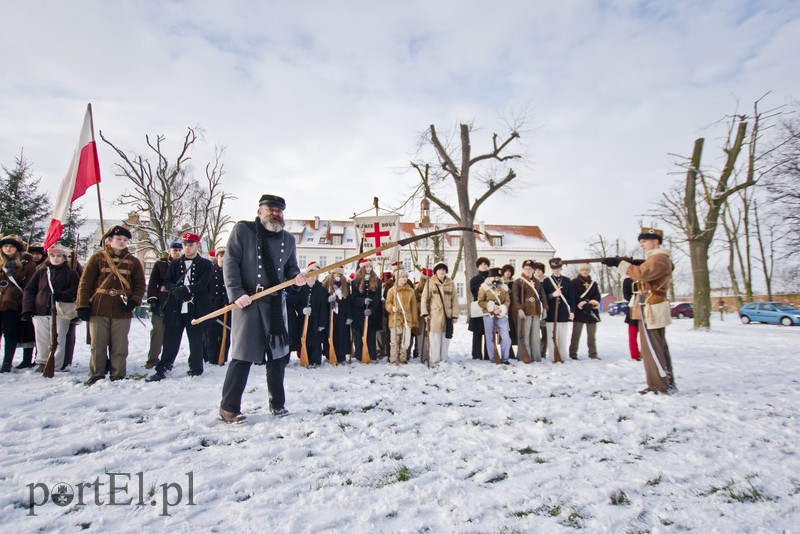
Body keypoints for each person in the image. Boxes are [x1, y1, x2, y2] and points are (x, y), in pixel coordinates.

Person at [218, 194, 306, 423]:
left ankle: (277, 404)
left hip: (275, 302)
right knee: (242, 355)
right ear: (259, 211)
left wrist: (296, 277)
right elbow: (231, 262)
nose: (275, 213)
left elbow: (291, 267)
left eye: (279, 210)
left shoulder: (288, 239)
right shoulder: (243, 231)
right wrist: (236, 294)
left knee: (278, 356)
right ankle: (229, 408)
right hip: (248, 301)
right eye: (271, 209)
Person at [603, 228, 675, 394]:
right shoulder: (656, 259)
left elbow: (642, 273)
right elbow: (646, 270)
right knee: (656, 346)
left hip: (651, 306)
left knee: (651, 348)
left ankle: (658, 386)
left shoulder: (658, 258)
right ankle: (665, 381)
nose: (642, 245)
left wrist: (620, 264)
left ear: (655, 241)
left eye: (644, 241)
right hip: (650, 305)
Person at [76, 225, 146, 385]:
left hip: (122, 307)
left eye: (125, 240)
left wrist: (134, 301)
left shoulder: (133, 262)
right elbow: (85, 283)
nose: (122, 242)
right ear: (109, 240)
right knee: (97, 344)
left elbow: (140, 284)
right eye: (119, 239)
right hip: (99, 306)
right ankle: (96, 374)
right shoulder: (97, 258)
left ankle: (118, 374)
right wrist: (82, 305)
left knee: (120, 345)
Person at [146, 232, 213, 381]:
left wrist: (188, 289)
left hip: (196, 307)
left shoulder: (206, 264)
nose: (187, 248)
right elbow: (168, 281)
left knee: (196, 340)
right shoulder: (175, 263)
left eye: (191, 245)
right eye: (185, 245)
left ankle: (196, 368)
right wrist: (176, 290)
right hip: (176, 307)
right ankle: (163, 367)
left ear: (197, 246)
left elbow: (203, 283)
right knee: (171, 339)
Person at [21, 243, 80, 372]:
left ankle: (55, 364)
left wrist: (62, 295)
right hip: (40, 310)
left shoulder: (71, 273)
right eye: (53, 256)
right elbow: (29, 290)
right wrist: (28, 309)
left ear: (64, 258)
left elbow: (75, 290)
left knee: (58, 339)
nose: (56, 258)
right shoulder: (41, 272)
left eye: (59, 256)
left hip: (61, 311)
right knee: (42, 339)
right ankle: (42, 362)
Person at [0, 235, 36, 372]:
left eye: (11, 246)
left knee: (10, 334)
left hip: (13, 303)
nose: (8, 248)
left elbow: (30, 287)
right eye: (5, 246)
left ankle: (7, 363)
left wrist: (25, 305)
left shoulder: (27, 264)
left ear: (17, 248)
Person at [144, 242, 182, 369]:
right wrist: (152, 299)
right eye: (174, 250)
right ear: (169, 251)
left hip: (177, 303)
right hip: (161, 301)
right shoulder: (160, 264)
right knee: (157, 331)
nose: (177, 252)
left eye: (179, 250)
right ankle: (153, 359)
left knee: (171, 334)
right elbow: (153, 282)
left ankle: (167, 360)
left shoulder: (184, 264)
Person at [420, 262, 458, 366]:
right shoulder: (430, 283)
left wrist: (455, 315)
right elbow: (424, 299)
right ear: (436, 271)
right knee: (435, 339)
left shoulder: (451, 283)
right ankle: (436, 361)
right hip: (434, 316)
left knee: (445, 339)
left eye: (443, 270)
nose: (442, 271)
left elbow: (454, 300)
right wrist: (425, 313)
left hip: (447, 316)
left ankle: (444, 360)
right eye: (439, 270)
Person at [510, 259, 548, 363]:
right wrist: (519, 309)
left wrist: (544, 308)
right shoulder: (518, 281)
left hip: (535, 311)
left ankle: (536, 357)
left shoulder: (537, 282)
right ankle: (523, 356)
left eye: (530, 269)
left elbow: (542, 296)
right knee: (524, 335)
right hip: (524, 312)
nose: (527, 270)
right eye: (526, 268)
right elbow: (515, 297)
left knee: (535, 336)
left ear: (533, 270)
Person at [542, 258, 575, 363]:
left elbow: (571, 297)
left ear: (561, 268)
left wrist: (572, 311)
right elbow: (543, 298)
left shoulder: (567, 280)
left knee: (562, 337)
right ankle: (553, 357)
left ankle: (562, 356)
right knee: (552, 337)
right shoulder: (547, 281)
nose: (556, 270)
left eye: (558, 268)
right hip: (551, 313)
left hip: (563, 313)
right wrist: (552, 295)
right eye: (554, 268)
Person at [295, 262, 328, 367]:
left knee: (316, 341)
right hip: (303, 320)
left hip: (316, 320)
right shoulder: (301, 289)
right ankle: (305, 359)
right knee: (305, 340)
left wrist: (322, 323)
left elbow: (324, 308)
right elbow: (297, 304)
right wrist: (302, 310)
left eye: (315, 275)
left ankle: (315, 360)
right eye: (311, 275)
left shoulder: (321, 289)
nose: (312, 277)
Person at [477, 267, 512, 364]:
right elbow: (480, 302)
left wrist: (502, 308)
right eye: (494, 276)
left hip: (501, 315)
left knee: (506, 337)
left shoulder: (504, 287)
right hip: (488, 315)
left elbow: (507, 300)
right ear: (490, 277)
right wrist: (491, 306)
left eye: (498, 277)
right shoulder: (484, 287)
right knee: (490, 337)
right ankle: (493, 358)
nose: (496, 279)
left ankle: (505, 358)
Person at [351, 259, 382, 362]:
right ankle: (359, 355)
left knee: (371, 335)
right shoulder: (355, 282)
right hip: (359, 313)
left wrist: (372, 309)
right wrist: (363, 301)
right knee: (359, 335)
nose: (369, 268)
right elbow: (354, 298)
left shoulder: (377, 281)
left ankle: (371, 355)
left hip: (372, 314)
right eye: (367, 266)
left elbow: (377, 298)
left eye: (370, 266)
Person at [204, 245, 231, 365]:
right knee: (211, 334)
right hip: (213, 306)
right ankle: (212, 358)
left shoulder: (232, 272)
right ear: (217, 257)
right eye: (221, 255)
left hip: (228, 307)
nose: (223, 258)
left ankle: (223, 357)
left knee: (226, 333)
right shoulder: (210, 272)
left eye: (226, 255)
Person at [385, 269, 418, 365]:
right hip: (395, 318)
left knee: (405, 340)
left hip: (407, 318)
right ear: (397, 278)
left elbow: (414, 307)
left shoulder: (411, 291)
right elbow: (387, 303)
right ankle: (394, 358)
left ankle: (403, 358)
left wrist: (414, 320)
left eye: (406, 277)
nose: (405, 279)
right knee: (394, 341)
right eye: (403, 277)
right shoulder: (392, 290)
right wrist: (392, 308)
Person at [568, 264, 601, 360]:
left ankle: (593, 353)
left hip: (592, 311)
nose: (585, 271)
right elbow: (573, 295)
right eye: (583, 270)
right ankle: (573, 353)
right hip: (579, 311)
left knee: (592, 335)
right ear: (580, 271)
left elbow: (597, 295)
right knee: (576, 334)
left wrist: (591, 304)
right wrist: (582, 304)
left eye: (587, 270)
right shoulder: (574, 282)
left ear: (589, 271)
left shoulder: (593, 284)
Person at [321, 266, 352, 364]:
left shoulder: (345, 284)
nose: (337, 275)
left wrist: (349, 316)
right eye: (335, 273)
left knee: (342, 334)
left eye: (339, 274)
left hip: (342, 313)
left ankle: (341, 355)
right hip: (330, 313)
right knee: (331, 334)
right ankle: (329, 354)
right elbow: (322, 300)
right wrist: (327, 300)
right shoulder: (326, 284)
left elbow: (348, 301)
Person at [468, 257, 490, 360]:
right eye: (481, 265)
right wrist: (484, 284)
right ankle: (476, 354)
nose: (484, 266)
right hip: (478, 305)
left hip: (489, 306)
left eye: (485, 264)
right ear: (478, 267)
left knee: (488, 331)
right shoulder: (474, 279)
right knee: (477, 332)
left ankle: (488, 353)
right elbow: (474, 291)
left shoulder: (492, 278)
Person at [532, 261, 549, 359]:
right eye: (536, 270)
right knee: (534, 332)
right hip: (533, 308)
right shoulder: (531, 281)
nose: (538, 272)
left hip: (545, 309)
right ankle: (536, 350)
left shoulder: (547, 281)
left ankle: (543, 351)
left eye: (540, 270)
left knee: (545, 332)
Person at [622, 277, 641, 361]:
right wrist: (636, 299)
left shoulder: (645, 277)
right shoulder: (628, 280)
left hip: (646, 309)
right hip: (634, 309)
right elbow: (626, 295)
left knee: (646, 335)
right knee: (633, 334)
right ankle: (635, 354)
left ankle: (646, 353)